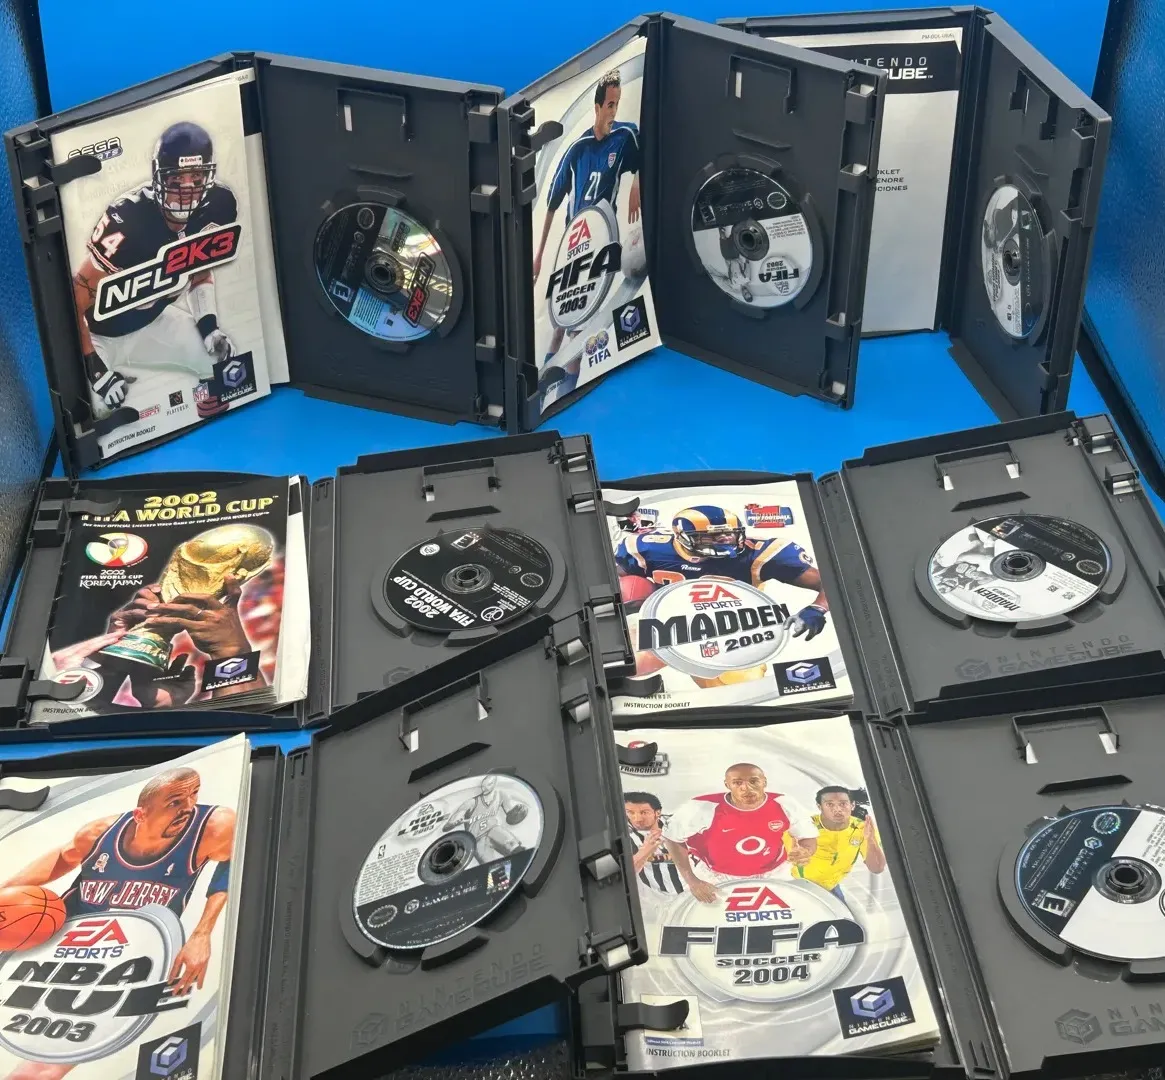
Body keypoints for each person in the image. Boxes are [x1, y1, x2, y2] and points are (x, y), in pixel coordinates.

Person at [0, 767, 235, 1080]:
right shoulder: (99, 833)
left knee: (47, 1064)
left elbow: (234, 859)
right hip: (64, 935)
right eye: (175, 802)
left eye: (194, 795)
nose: (189, 807)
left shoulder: (215, 826)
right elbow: (64, 857)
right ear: (140, 814)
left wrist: (201, 934)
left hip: (125, 957)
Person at [72, 121, 238, 421]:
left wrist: (208, 327)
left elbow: (200, 272)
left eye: (196, 177)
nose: (187, 190)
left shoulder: (219, 205)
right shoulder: (127, 219)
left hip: (153, 321)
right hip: (99, 335)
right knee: (95, 410)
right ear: (159, 177)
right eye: (177, 179)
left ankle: (201, 419)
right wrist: (94, 369)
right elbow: (73, 300)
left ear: (208, 176)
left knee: (220, 363)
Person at [615, 505, 830, 686]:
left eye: (730, 533)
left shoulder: (757, 554)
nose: (726, 539)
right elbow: (611, 579)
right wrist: (629, 600)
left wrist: (817, 608)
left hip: (729, 628)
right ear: (683, 538)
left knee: (740, 691)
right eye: (712, 536)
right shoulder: (647, 548)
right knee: (625, 663)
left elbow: (829, 582)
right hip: (670, 622)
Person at [532, 67, 641, 370]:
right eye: (609, 105)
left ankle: (568, 383)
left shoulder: (625, 135)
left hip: (601, 243)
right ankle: (547, 381)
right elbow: (552, 203)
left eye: (617, 104)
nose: (614, 111)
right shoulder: (576, 150)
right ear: (597, 107)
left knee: (577, 334)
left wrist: (636, 182)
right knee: (558, 327)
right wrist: (539, 257)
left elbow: (646, 153)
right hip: (574, 243)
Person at [662, 763, 816, 903]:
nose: (746, 788)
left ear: (764, 782)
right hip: (716, 876)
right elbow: (672, 839)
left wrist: (806, 851)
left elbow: (808, 837)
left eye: (754, 781)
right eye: (737, 783)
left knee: (786, 914)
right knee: (712, 918)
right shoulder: (702, 807)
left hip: (775, 872)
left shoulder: (784, 804)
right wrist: (692, 881)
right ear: (727, 785)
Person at [795, 786, 886, 900]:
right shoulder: (805, 827)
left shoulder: (862, 828)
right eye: (830, 804)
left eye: (843, 804)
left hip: (830, 888)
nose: (837, 809)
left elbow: (877, 868)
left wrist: (871, 839)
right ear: (820, 807)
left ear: (852, 805)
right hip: (798, 887)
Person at [624, 792, 685, 894]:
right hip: (660, 899)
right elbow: (621, 875)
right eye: (630, 812)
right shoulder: (624, 837)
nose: (637, 819)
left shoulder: (680, 824)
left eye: (644, 812)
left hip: (696, 893)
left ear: (657, 812)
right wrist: (645, 851)